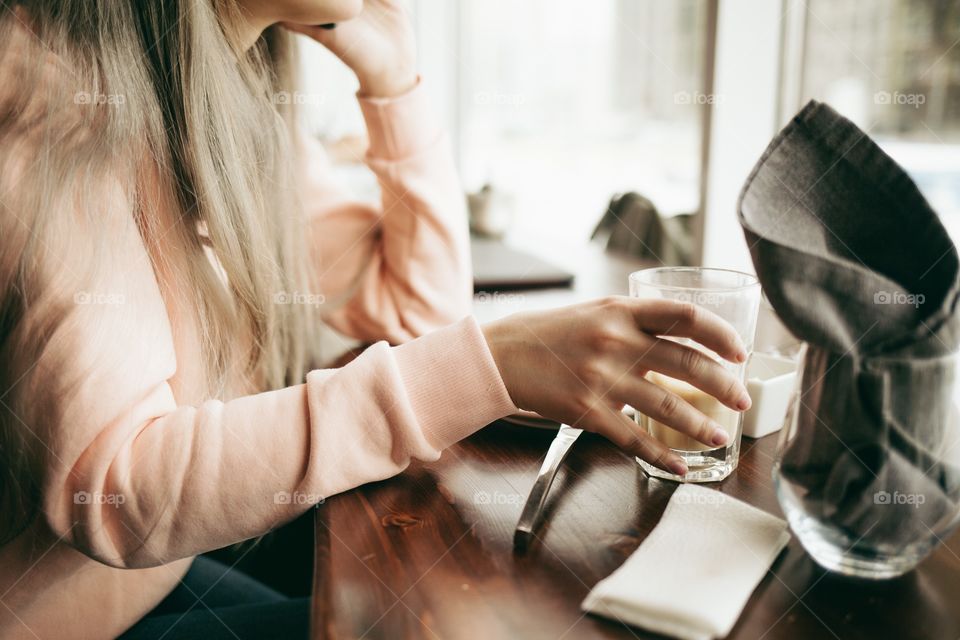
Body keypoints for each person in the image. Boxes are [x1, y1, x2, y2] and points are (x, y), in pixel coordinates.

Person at [0, 1, 752, 638]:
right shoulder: (54, 102)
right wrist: (486, 363)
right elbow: (115, 490)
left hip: (159, 581)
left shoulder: (233, 104)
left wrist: (393, 78)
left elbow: (413, 307)